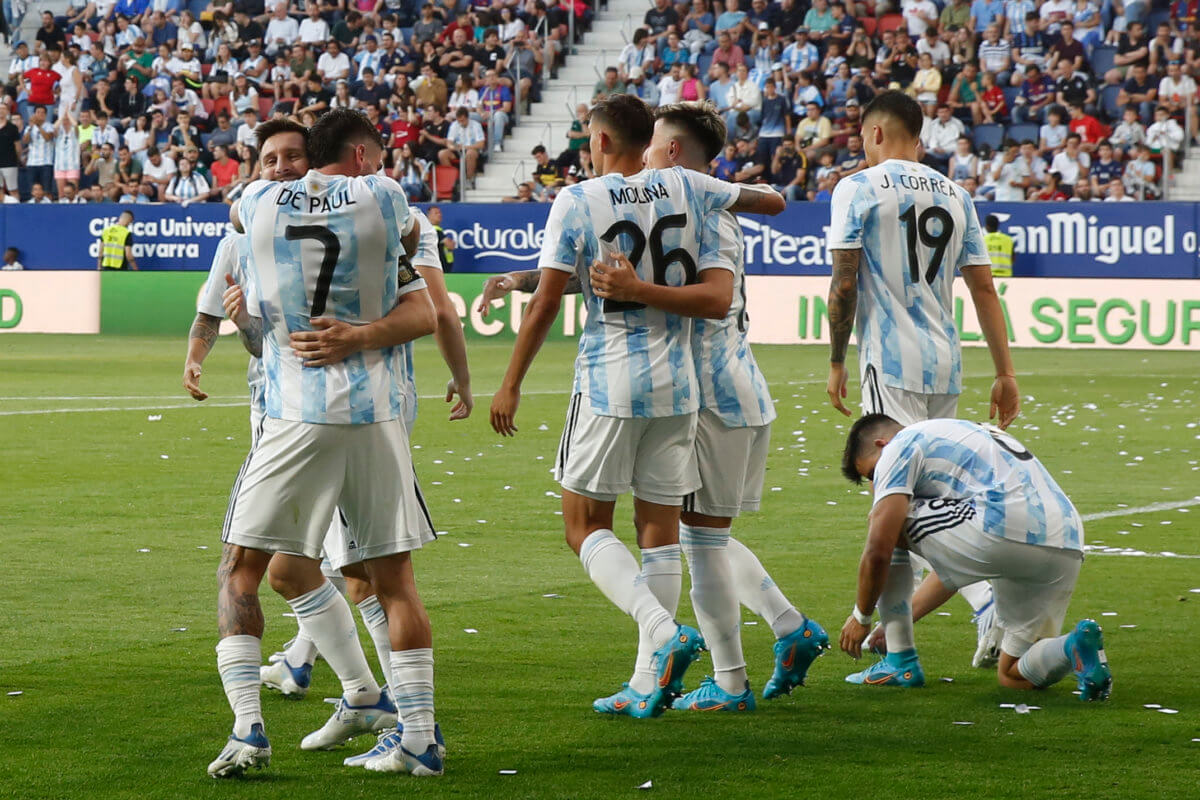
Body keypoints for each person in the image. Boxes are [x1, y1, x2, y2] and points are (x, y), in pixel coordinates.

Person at [477, 102, 827, 712]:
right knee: (672, 535)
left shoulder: (621, 198)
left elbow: (711, 298)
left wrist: (512, 381)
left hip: (667, 383)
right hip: (684, 386)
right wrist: (519, 278)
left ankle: (713, 665)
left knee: (644, 533)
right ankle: (660, 676)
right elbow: (769, 203)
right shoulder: (692, 192)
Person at [208, 108, 442, 779]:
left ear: (305, 156)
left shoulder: (253, 200)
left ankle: (250, 729)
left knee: (241, 568)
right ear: (364, 154)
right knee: (394, 581)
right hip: (374, 415)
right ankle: (420, 740)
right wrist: (360, 333)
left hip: (294, 413)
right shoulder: (387, 196)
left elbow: (242, 221)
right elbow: (422, 301)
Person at [824, 91, 1020, 667]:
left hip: (890, 361)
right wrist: (1005, 372)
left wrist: (836, 357)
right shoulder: (956, 195)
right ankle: (945, 629)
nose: (861, 147)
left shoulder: (857, 188)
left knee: (897, 504)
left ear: (877, 134)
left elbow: (843, 282)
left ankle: (915, 649)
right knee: (940, 501)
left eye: (862, 137)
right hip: (945, 362)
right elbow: (985, 288)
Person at [836, 414, 1113, 702]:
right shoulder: (965, 432)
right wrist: (895, 621)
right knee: (1013, 674)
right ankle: (1074, 646)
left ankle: (899, 660)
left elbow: (880, 546)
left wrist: (862, 616)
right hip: (1064, 538)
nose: (874, 485)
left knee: (884, 521)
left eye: (871, 474)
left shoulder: (899, 445)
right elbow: (953, 566)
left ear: (882, 443)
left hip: (1003, 525)